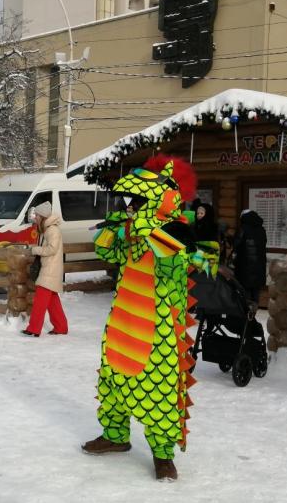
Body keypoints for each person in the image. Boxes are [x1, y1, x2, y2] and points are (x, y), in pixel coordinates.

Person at [87, 155, 200, 482]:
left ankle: (163, 455)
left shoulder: (178, 232)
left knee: (159, 391)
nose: (133, 206)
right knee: (112, 383)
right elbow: (105, 252)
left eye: (138, 202)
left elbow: (168, 265)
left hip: (157, 331)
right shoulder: (132, 231)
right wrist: (115, 227)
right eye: (132, 202)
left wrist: (142, 227)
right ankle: (115, 435)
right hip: (123, 322)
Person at [21, 202, 68, 337]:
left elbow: (52, 249)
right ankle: (61, 327)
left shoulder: (52, 230)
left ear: (42, 216)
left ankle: (34, 329)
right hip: (50, 268)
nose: (35, 217)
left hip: (50, 269)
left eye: (37, 215)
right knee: (53, 301)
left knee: (40, 302)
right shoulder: (47, 229)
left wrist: (35, 250)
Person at [232, 209, 268, 303]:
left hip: (244, 266)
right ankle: (253, 311)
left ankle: (247, 313)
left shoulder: (242, 229)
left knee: (245, 292)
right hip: (259, 266)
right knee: (256, 291)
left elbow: (236, 245)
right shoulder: (261, 230)